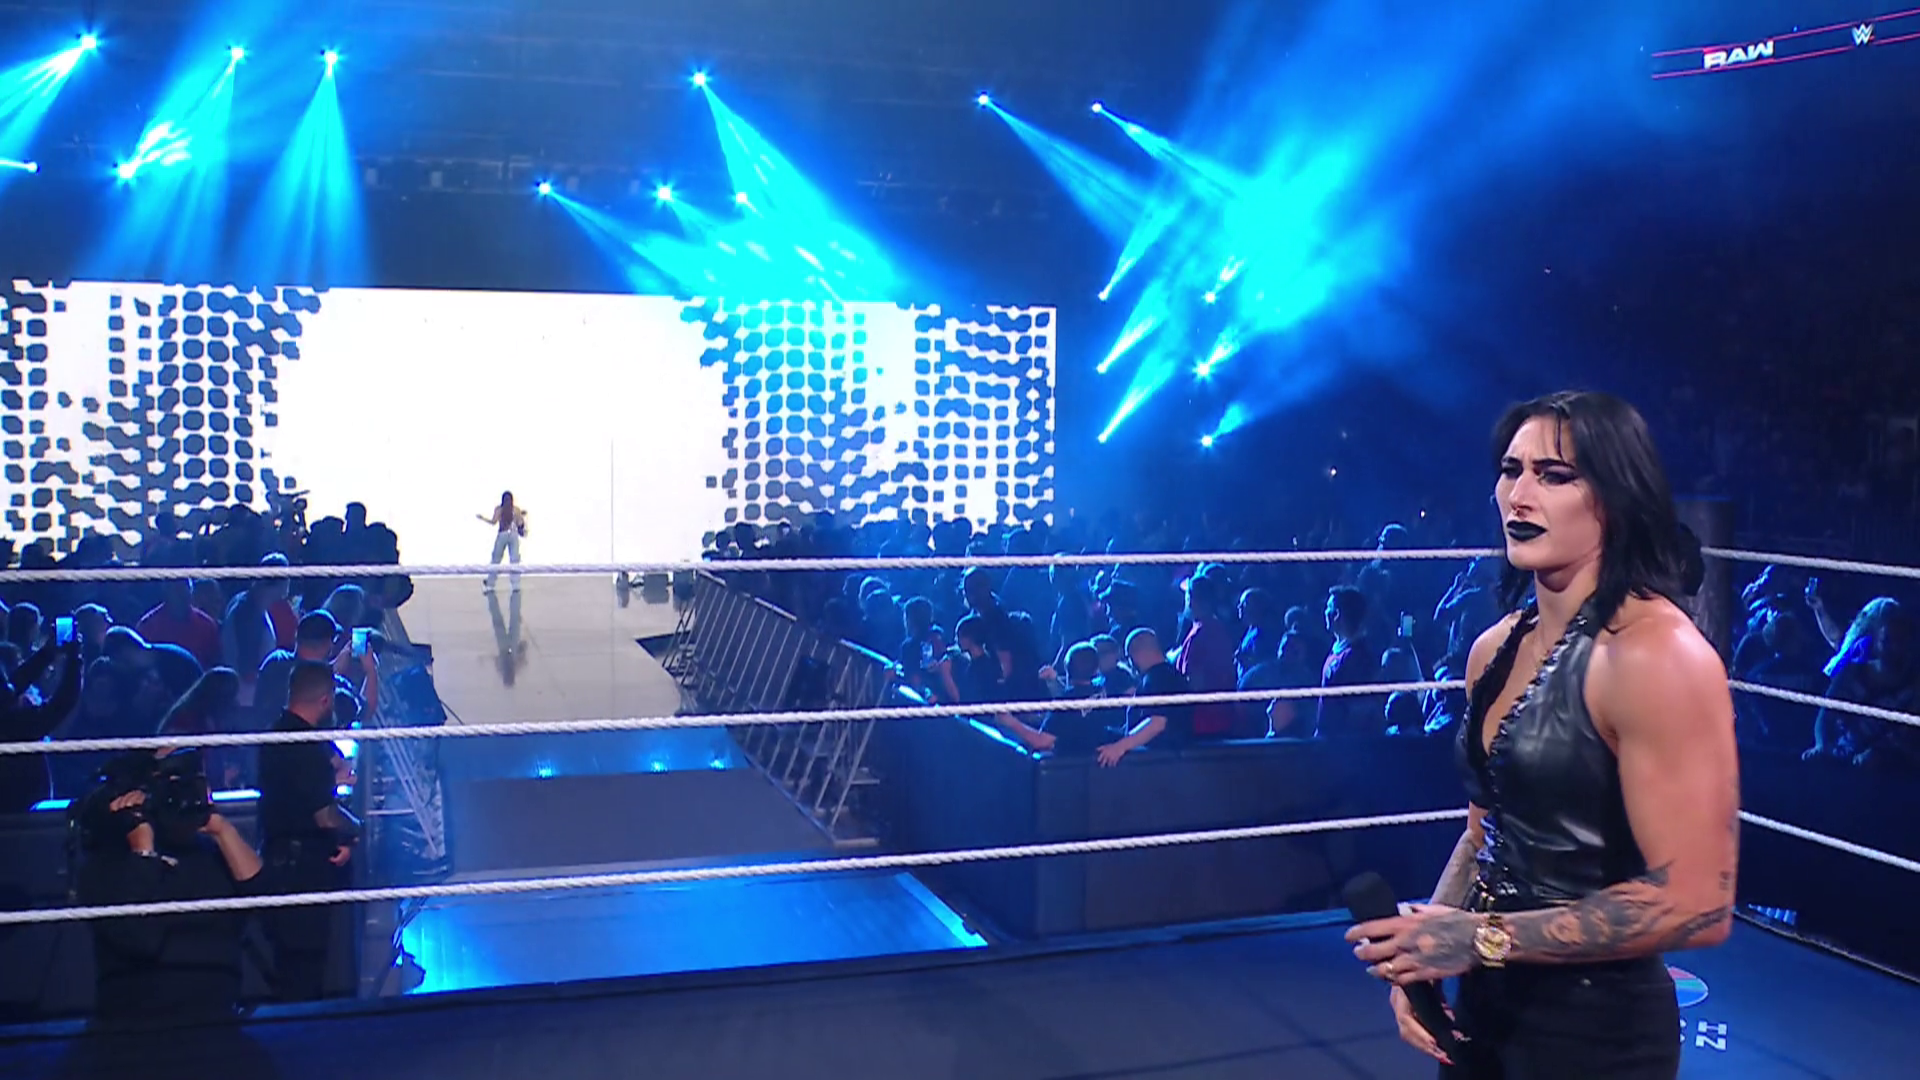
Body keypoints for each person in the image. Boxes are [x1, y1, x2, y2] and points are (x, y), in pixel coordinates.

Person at [1347, 390, 1739, 1079]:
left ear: (1614, 498)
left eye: (1554, 476)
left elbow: (1697, 905)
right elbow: (1483, 833)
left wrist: (1479, 939)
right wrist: (1423, 953)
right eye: (1511, 470)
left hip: (1596, 1031)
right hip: (1485, 1008)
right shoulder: (1493, 649)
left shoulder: (1657, 656)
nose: (1519, 495)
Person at [256, 660, 360, 1001]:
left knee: (289, 967)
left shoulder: (274, 735)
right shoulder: (307, 749)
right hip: (303, 872)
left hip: (277, 862)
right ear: (325, 700)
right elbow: (326, 817)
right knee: (304, 971)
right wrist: (356, 830)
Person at [477, 491, 527, 592]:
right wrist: (522, 517)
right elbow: (520, 523)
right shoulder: (516, 510)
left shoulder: (499, 509)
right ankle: (515, 584)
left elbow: (493, 522)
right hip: (513, 534)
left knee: (496, 559)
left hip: (502, 534)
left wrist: (482, 518)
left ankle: (490, 583)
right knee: (514, 560)